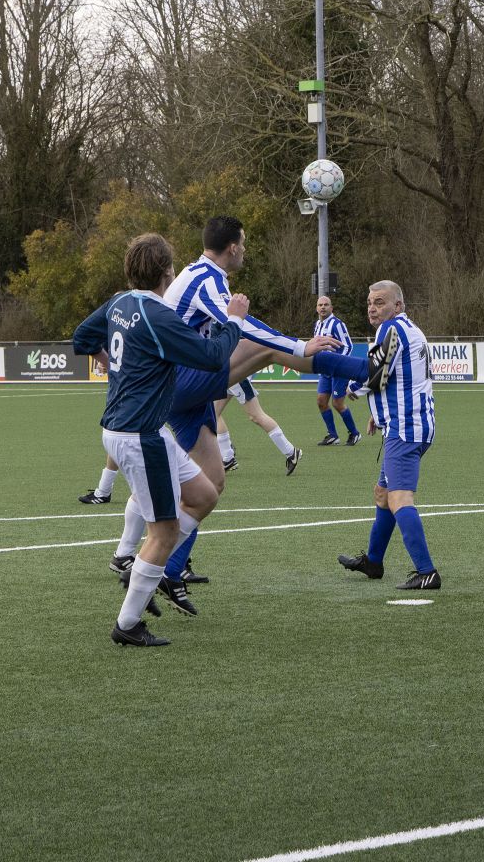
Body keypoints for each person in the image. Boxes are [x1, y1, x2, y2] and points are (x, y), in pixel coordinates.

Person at [95, 216, 398, 607]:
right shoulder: (206, 278)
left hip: (183, 393)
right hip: (180, 383)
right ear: (233, 247)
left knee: (211, 484)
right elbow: (242, 326)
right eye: (245, 243)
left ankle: (165, 570)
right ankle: (368, 370)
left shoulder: (200, 275)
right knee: (273, 349)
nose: (247, 249)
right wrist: (299, 345)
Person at [72, 233, 246, 647]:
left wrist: (116, 367)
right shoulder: (158, 315)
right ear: (168, 271)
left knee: (203, 495)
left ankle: (142, 570)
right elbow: (210, 357)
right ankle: (128, 623)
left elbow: (82, 338)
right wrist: (234, 319)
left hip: (135, 430)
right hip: (138, 436)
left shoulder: (119, 302)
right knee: (164, 533)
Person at [338, 281, 441, 590]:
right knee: (383, 494)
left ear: (398, 305)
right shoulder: (412, 330)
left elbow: (377, 373)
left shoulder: (390, 329)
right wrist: (378, 413)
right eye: (370, 302)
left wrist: (354, 390)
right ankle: (374, 561)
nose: (372, 307)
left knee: (398, 498)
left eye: (380, 302)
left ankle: (427, 572)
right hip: (409, 423)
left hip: (405, 429)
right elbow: (405, 378)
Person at [215, 378, 302, 475]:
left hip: (235, 378)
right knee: (214, 413)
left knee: (256, 416)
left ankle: (291, 452)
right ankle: (228, 458)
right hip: (225, 377)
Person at [314, 295, 362, 446]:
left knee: (337, 403)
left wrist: (338, 364)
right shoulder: (317, 325)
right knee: (321, 402)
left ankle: (354, 433)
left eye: (326, 305)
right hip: (324, 370)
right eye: (320, 305)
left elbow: (348, 346)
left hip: (338, 370)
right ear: (316, 308)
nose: (323, 307)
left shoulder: (337, 324)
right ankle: (333, 435)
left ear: (331, 308)